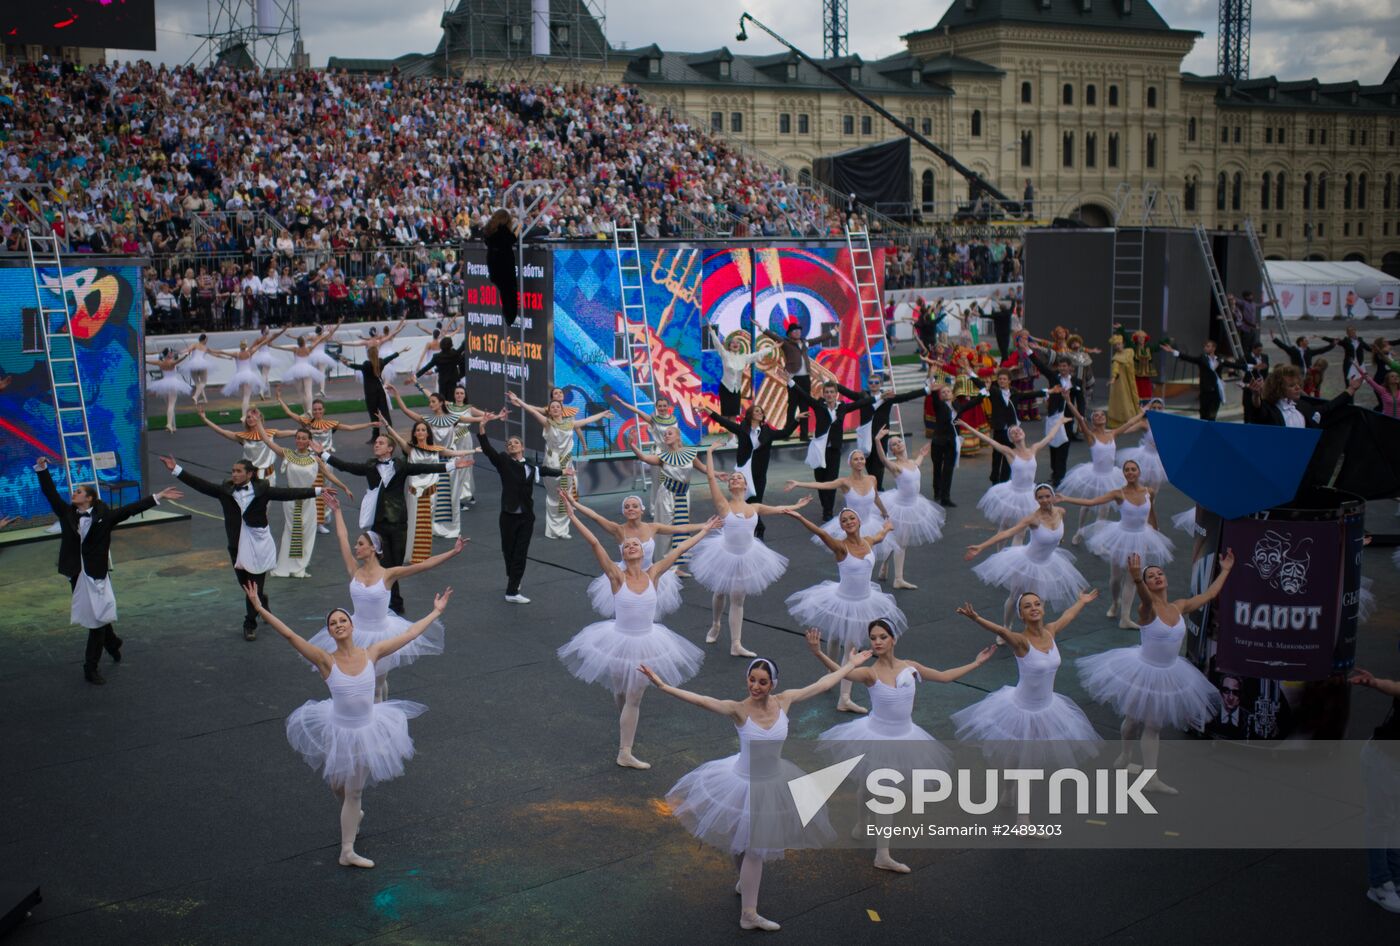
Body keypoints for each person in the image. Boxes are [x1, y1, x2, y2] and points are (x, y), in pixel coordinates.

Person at [641, 651, 870, 932]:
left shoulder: (784, 701)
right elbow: (702, 700)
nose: (755, 686)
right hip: (742, 782)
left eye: (762, 682)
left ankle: (744, 882)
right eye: (751, 680)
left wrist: (850, 665)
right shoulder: (738, 709)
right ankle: (748, 914)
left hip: (773, 781)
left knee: (746, 843)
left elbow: (822, 684)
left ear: (773, 684)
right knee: (754, 848)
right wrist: (663, 686)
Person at [246, 581, 450, 870]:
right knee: (337, 786)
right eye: (333, 623)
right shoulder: (325, 661)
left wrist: (436, 611)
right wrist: (259, 608)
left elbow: (409, 634)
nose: (339, 625)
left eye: (343, 620)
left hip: (367, 729)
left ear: (352, 626)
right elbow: (290, 635)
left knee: (354, 792)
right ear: (330, 632)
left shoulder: (372, 653)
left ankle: (347, 851)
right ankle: (353, 813)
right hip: (338, 729)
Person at [805, 621, 995, 873]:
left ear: (893, 639)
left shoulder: (911, 667)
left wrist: (977, 663)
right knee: (878, 789)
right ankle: (879, 850)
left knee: (876, 786)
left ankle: (865, 830)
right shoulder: (870, 673)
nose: (877, 641)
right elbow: (842, 674)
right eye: (873, 638)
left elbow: (945, 677)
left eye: (883, 636)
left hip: (905, 736)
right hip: (875, 735)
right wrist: (818, 653)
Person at [557, 494, 719, 770]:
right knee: (621, 693)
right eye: (627, 545)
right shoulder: (616, 576)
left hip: (647, 642)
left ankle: (625, 751)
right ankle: (626, 726)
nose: (631, 546)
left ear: (643, 552)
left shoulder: (654, 573)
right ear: (622, 553)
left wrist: (704, 530)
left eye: (635, 544)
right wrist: (572, 517)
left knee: (634, 697)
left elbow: (679, 549)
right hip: (618, 640)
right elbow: (595, 542)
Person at [1077, 550, 1235, 796]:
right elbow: (1146, 599)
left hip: (1169, 672)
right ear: (1147, 584)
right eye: (1151, 576)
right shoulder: (1146, 609)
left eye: (1159, 573)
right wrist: (1136, 579)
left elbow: (1209, 595)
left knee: (1153, 725)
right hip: (1143, 671)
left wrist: (1225, 570)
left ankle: (1151, 777)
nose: (1157, 577)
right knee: (1132, 721)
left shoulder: (1179, 606)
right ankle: (1126, 753)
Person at [35, 457, 181, 684]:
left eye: (79, 492)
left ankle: (90, 667)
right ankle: (112, 643)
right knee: (97, 616)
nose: (74, 493)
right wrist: (42, 469)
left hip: (96, 574)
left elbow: (131, 509)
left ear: (89, 498)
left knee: (97, 621)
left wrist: (158, 497)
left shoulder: (105, 516)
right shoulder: (67, 513)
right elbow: (50, 493)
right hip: (76, 574)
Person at [308, 492, 463, 702]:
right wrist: (337, 511)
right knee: (361, 681)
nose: (356, 547)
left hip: (381, 635)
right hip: (355, 633)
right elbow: (342, 537)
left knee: (376, 687)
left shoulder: (388, 575)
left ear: (373, 548)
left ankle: (379, 716)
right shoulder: (354, 569)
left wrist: (452, 552)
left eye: (360, 544)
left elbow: (423, 565)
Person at [159, 454, 326, 641]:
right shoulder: (225, 491)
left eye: (239, 471)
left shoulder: (263, 490)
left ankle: (249, 624)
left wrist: (318, 491)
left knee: (252, 587)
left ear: (250, 474)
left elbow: (289, 494)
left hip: (258, 544)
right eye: (233, 471)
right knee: (247, 586)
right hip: (236, 545)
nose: (234, 474)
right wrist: (176, 469)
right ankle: (262, 600)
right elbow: (201, 485)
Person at [951, 591, 1102, 785]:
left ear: (1043, 608)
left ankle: (1016, 789)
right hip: (1022, 708)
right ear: (1021, 615)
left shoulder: (1050, 630)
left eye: (1037, 604)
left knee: (1027, 755)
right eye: (1027, 606)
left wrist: (1081, 601)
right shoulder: (1021, 641)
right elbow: (1002, 632)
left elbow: (1068, 616)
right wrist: (976, 618)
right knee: (1019, 757)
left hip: (1048, 707)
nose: (1034, 608)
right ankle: (1015, 801)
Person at [322, 434, 466, 614]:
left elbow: (423, 467)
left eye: (381, 443)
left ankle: (393, 601)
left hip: (398, 523)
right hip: (378, 523)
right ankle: (393, 603)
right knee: (384, 564)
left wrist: (452, 465)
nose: (376, 445)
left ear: (390, 448)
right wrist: (323, 454)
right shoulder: (370, 466)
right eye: (376, 442)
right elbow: (346, 466)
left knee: (395, 566)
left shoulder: (400, 465)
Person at [784, 506, 901, 712]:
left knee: (850, 648)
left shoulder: (868, 541)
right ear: (842, 526)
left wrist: (887, 528)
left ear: (859, 521)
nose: (848, 522)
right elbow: (821, 533)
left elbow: (880, 536)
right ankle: (831, 673)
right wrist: (800, 517)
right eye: (844, 520)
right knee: (835, 639)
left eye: (851, 518)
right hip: (843, 600)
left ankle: (843, 697)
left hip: (865, 601)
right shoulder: (840, 547)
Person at [691, 444, 804, 657]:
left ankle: (736, 644)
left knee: (738, 599)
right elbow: (711, 478)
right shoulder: (723, 505)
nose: (735, 479)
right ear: (729, 486)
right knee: (720, 591)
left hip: (747, 555)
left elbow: (779, 509)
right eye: (732, 478)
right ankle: (716, 623)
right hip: (724, 554)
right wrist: (709, 453)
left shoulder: (755, 507)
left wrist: (797, 506)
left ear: (745, 485)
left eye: (739, 478)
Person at [964, 483, 1092, 626]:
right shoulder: (1033, 519)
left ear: (1053, 496)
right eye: (1040, 497)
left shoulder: (1061, 512)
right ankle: (1007, 626)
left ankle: (1033, 630)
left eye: (1047, 496)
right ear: (1036, 499)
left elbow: (1058, 531)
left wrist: (1057, 539)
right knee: (1014, 597)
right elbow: (1007, 533)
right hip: (1027, 563)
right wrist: (982, 546)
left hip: (1047, 564)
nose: (1044, 500)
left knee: (1039, 601)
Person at [1068, 459, 1175, 628]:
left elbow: (1151, 513)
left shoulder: (1149, 492)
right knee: (1116, 578)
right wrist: (1065, 498)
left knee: (1133, 578)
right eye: (1127, 470)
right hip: (1121, 538)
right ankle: (1115, 602)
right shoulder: (1118, 494)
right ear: (1124, 474)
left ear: (1139, 472)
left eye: (1133, 469)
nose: (1130, 472)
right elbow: (1092, 502)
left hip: (1141, 538)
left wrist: (1155, 532)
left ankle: (1125, 618)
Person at [388, 384, 491, 539]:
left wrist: (494, 417)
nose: (430, 404)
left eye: (433, 402)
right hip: (434, 460)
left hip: (450, 460)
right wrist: (396, 394)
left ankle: (449, 527)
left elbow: (476, 419)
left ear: (441, 403)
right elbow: (406, 411)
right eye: (430, 402)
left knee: (450, 496)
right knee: (433, 496)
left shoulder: (453, 418)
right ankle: (430, 526)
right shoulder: (428, 420)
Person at [477, 425, 565, 603]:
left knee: (520, 553)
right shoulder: (503, 461)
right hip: (508, 515)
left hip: (526, 516)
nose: (512, 445)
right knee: (508, 551)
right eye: (509, 444)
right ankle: (514, 579)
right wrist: (482, 428)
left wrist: (562, 471)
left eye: (516, 443)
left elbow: (544, 470)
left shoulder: (530, 465)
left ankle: (512, 591)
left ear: (522, 447)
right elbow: (488, 451)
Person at [507, 391, 611, 539]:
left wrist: (602, 414)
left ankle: (563, 530)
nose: (555, 408)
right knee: (554, 496)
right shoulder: (547, 423)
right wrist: (518, 399)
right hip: (553, 462)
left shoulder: (570, 424)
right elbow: (532, 411)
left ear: (562, 410)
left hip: (567, 461)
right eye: (552, 407)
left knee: (565, 495)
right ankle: (553, 530)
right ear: (549, 411)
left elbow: (587, 420)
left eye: (557, 407)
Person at [574, 494, 698, 617]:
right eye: (627, 507)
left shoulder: (652, 527)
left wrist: (704, 526)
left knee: (647, 611)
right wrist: (574, 503)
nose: (631, 509)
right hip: (625, 576)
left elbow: (680, 528)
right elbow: (595, 516)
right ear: (624, 512)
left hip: (650, 574)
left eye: (634, 506)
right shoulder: (619, 530)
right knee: (627, 611)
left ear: (642, 509)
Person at [375, 418, 474, 566]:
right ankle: (410, 554)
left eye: (423, 430)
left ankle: (422, 556)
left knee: (426, 525)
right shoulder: (411, 449)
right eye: (418, 430)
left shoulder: (435, 449)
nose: (420, 432)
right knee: (413, 523)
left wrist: (473, 450)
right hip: (414, 492)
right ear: (414, 433)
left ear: (428, 433)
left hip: (430, 492)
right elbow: (397, 438)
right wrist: (387, 425)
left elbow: (454, 452)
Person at [274, 391, 375, 533]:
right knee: (312, 489)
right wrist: (279, 399)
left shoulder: (330, 424)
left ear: (323, 410)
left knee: (327, 490)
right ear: (312, 410)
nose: (317, 411)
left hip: (327, 460)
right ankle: (312, 520)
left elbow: (350, 428)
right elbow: (290, 413)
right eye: (315, 409)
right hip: (310, 461)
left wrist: (370, 424)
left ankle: (323, 519)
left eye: (319, 409)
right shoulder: (307, 422)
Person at [259, 424, 352, 579]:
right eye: (298, 438)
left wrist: (344, 487)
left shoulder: (315, 459)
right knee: (291, 530)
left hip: (309, 499)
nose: (300, 441)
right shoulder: (288, 454)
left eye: (304, 438)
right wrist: (258, 424)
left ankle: (300, 566)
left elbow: (329, 475)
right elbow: (268, 441)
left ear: (309, 441)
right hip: (290, 498)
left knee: (307, 531)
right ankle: (287, 565)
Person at [779, 369, 872, 520]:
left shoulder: (842, 407)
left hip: (834, 450)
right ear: (823, 394)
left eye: (831, 392)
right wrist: (790, 381)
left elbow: (862, 402)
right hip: (818, 450)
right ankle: (825, 506)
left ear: (836, 394)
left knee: (832, 481)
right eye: (827, 392)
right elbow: (804, 395)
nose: (829, 394)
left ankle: (828, 511)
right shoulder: (819, 405)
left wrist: (879, 396)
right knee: (821, 481)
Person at [702, 402, 801, 539]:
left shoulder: (767, 431)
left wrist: (797, 420)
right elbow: (724, 422)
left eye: (761, 411)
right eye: (757, 411)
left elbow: (785, 433)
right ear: (750, 415)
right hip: (743, 473)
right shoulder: (742, 429)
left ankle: (758, 528)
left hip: (759, 473)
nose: (760, 413)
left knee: (756, 503)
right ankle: (751, 528)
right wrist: (707, 410)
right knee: (745, 502)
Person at [785, 449, 893, 575]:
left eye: (862, 458)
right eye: (856, 459)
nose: (859, 461)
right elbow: (823, 485)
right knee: (856, 560)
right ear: (850, 463)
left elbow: (876, 497)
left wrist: (884, 511)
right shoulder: (844, 482)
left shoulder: (872, 479)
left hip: (870, 523)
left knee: (881, 550)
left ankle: (882, 569)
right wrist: (798, 483)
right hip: (852, 525)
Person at [1346, 667, 1400, 913]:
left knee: (1395, 822)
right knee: (1382, 822)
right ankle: (1379, 885)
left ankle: (1395, 879)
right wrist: (1376, 683)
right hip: (1383, 761)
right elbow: (1396, 687)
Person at [962, 417, 1066, 537]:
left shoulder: (1033, 449)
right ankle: (1000, 549)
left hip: (1029, 494)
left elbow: (1050, 437)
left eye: (1018, 430)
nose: (1017, 432)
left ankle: (1016, 549)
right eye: (1013, 432)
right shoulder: (1009, 452)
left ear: (1023, 433)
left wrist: (1059, 422)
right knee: (1004, 527)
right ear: (1011, 439)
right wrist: (967, 426)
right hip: (1013, 494)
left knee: (1021, 532)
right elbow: (989, 441)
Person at [872, 428, 947, 588]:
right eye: (894, 444)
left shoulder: (912, 463)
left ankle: (884, 565)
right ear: (892, 450)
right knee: (901, 543)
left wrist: (922, 454)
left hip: (914, 504)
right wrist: (878, 440)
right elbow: (883, 459)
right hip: (900, 508)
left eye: (899, 441)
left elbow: (917, 463)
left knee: (897, 540)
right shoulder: (896, 467)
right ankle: (898, 579)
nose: (898, 444)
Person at [1058, 404, 1142, 539]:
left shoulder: (1112, 433)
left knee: (1104, 510)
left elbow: (1130, 423)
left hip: (1111, 476)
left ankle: (1098, 539)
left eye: (1102, 414)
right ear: (1093, 421)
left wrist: (1143, 412)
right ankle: (1080, 530)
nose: (1100, 416)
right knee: (1086, 505)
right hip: (1095, 476)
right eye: (1096, 415)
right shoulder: (1091, 436)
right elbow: (1080, 418)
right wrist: (1068, 400)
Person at [627, 425, 703, 568]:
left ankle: (675, 566)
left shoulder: (690, 453)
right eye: (665, 434)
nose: (666, 435)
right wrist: (632, 445)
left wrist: (717, 474)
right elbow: (643, 457)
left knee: (680, 528)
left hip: (683, 495)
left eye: (670, 433)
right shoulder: (663, 457)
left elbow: (704, 468)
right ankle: (663, 566)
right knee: (666, 530)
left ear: (678, 437)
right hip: (667, 495)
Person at [852, 374, 931, 489]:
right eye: (871, 382)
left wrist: (926, 390)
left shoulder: (888, 396)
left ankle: (878, 487)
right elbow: (847, 393)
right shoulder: (863, 396)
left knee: (879, 463)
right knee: (868, 462)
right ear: (867, 384)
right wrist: (829, 381)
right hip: (866, 436)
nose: (873, 385)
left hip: (881, 435)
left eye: (876, 382)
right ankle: (874, 486)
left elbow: (907, 396)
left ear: (881, 384)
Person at [761, 321, 838, 439]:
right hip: (793, 378)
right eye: (795, 331)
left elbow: (819, 339)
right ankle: (787, 433)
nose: (797, 332)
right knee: (792, 406)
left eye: (799, 330)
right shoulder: (786, 343)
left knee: (804, 406)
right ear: (790, 333)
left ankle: (804, 434)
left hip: (805, 378)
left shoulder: (805, 342)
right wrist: (761, 327)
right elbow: (774, 336)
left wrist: (833, 332)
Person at [1027, 355, 1085, 484]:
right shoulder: (1054, 377)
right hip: (1053, 418)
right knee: (1053, 445)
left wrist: (1081, 417)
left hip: (1067, 418)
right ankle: (1055, 472)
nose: (1062, 368)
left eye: (1065, 366)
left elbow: (1081, 400)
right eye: (1060, 366)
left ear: (1070, 367)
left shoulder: (1077, 382)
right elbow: (1041, 367)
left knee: (1064, 446)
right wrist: (1029, 352)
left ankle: (1060, 476)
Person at [924, 383, 981, 505]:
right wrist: (934, 390)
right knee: (937, 468)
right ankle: (937, 492)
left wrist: (984, 392)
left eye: (948, 391)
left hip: (952, 442)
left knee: (948, 469)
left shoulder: (957, 406)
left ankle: (945, 497)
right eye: (943, 392)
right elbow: (935, 398)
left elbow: (972, 403)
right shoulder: (939, 405)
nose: (946, 393)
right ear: (940, 395)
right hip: (938, 441)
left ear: (952, 394)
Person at [976, 369, 1036, 484]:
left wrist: (1047, 391)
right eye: (1000, 379)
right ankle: (994, 479)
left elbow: (1029, 395)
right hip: (999, 428)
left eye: (1004, 379)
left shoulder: (1014, 393)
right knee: (997, 455)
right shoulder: (994, 391)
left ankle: (1004, 480)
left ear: (1009, 381)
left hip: (1011, 431)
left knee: (1009, 455)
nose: (1002, 381)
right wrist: (970, 373)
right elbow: (980, 384)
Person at [1250, 364, 1361, 427]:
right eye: (1291, 385)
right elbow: (1258, 409)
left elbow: (1328, 407)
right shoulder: (1270, 408)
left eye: (1298, 384)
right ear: (1279, 388)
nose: (1298, 388)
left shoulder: (1302, 406)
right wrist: (1256, 395)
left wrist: (1351, 389)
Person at [270, 324, 339, 412]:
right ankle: (309, 411)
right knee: (308, 391)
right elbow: (319, 340)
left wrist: (272, 346)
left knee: (301, 393)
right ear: (304, 342)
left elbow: (281, 348)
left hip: (297, 371)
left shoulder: (295, 349)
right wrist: (332, 330)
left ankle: (305, 411)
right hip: (307, 370)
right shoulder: (308, 348)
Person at [1160, 340, 1232, 421]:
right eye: (1205, 346)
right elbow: (1189, 358)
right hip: (1205, 392)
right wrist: (1173, 351)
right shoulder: (1202, 358)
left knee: (1212, 417)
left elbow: (1232, 365)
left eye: (1208, 346)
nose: (1205, 348)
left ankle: (1210, 427)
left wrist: (1243, 367)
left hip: (1216, 393)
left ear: (1214, 348)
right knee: (1203, 416)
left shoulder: (1220, 359)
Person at [709, 326, 765, 420]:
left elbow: (757, 355)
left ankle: (733, 430)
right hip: (725, 387)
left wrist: (772, 348)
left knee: (734, 414)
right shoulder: (725, 354)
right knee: (726, 414)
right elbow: (718, 344)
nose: (735, 344)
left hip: (736, 389)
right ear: (729, 346)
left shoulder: (743, 357)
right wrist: (712, 332)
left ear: (740, 347)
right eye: (733, 343)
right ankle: (727, 428)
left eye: (738, 343)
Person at [483, 209, 521, 327]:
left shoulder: (489, 229)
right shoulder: (503, 230)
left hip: (493, 265)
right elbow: (511, 239)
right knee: (510, 293)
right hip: (504, 266)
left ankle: (509, 317)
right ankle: (511, 318)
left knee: (504, 293)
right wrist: (518, 228)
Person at [146, 348, 192, 433]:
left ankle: (172, 426)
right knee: (171, 405)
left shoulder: (160, 362)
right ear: (167, 354)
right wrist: (186, 355)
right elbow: (179, 360)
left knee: (169, 406)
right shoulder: (171, 362)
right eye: (171, 352)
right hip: (172, 383)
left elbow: (148, 361)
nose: (172, 353)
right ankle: (169, 424)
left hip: (163, 384)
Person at [1107, 333, 1139, 428]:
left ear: (1123, 344)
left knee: (1132, 397)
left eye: (1119, 344)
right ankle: (1125, 420)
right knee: (1124, 400)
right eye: (1115, 345)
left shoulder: (1129, 351)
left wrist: (1122, 329)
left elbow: (1132, 346)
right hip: (1122, 383)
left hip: (1131, 381)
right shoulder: (1116, 358)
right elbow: (1115, 370)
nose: (1117, 346)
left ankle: (1135, 418)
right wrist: (1113, 379)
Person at [182, 334, 216, 404]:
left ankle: (204, 399)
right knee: (203, 382)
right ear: (204, 339)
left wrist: (181, 352)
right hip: (202, 364)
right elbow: (216, 354)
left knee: (198, 383)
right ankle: (195, 396)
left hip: (193, 364)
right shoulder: (205, 347)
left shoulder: (194, 345)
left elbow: (187, 350)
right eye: (206, 339)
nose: (207, 341)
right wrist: (225, 357)